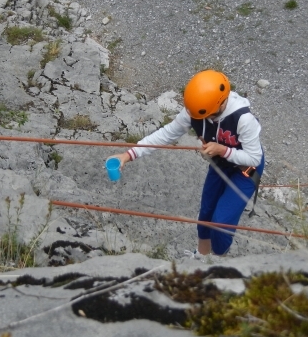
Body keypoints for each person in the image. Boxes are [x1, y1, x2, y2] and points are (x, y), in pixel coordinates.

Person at [106, 69, 264, 258]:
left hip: (245, 170)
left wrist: (223, 150)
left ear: (221, 104)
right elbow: (166, 134)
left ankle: (218, 258)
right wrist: (128, 155)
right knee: (206, 213)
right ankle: (201, 256)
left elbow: (254, 158)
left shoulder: (243, 119)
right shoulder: (195, 110)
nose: (203, 120)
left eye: (208, 117)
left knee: (221, 222)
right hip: (220, 163)